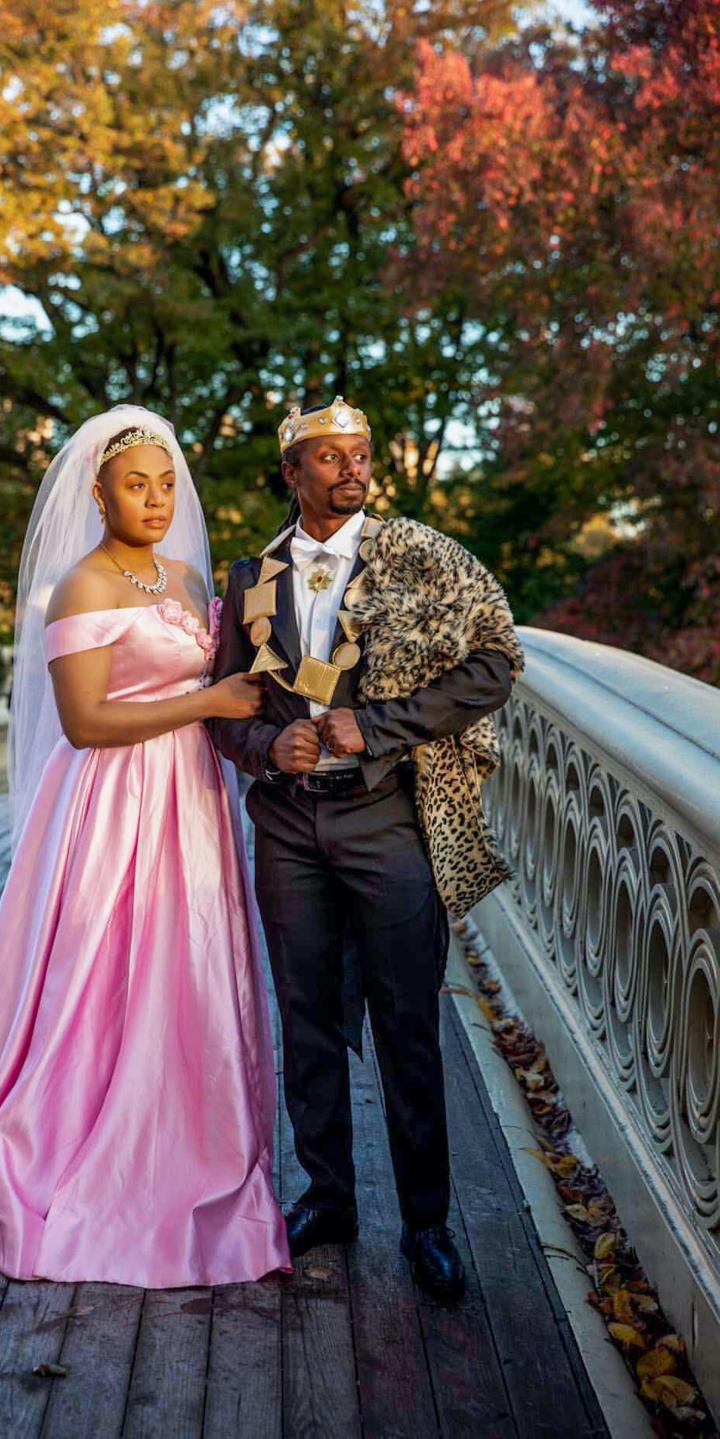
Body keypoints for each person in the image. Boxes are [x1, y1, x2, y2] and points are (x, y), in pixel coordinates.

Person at [0, 404, 292, 1289]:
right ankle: (69, 1145)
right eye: (134, 484)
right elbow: (86, 721)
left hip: (191, 798)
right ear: (98, 494)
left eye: (165, 483)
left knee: (189, 969)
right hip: (111, 800)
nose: (153, 498)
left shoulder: (187, 579)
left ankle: (190, 1140)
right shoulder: (84, 587)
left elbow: (226, 676)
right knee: (100, 971)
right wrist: (207, 707)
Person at [207, 395, 517, 1301]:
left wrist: (374, 725)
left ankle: (427, 1222)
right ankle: (329, 1199)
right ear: (292, 471)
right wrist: (269, 747)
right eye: (330, 457)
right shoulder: (250, 575)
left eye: (360, 455)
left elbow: (495, 663)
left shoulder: (420, 556)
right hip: (287, 826)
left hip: (384, 817)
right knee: (303, 1013)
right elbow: (226, 707)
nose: (351, 470)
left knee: (407, 1021)